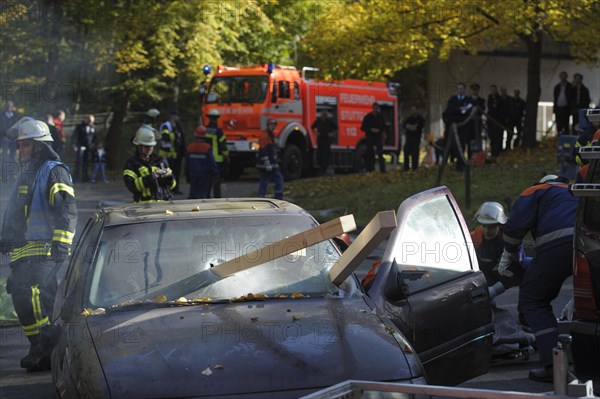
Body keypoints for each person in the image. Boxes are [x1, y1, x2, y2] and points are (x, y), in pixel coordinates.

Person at [0, 116, 77, 372]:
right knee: (24, 295)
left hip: (45, 249)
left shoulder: (54, 170)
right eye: (19, 144)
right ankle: (39, 345)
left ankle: (48, 344)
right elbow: (15, 211)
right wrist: (6, 239)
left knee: (29, 293)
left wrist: (61, 244)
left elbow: (67, 209)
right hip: (26, 251)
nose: (20, 149)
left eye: (25, 144)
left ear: (40, 145)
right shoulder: (28, 172)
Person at [499, 174, 579, 382]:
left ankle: (554, 367)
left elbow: (515, 227)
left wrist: (509, 252)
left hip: (556, 247)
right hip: (588, 246)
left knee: (533, 300)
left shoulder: (534, 191)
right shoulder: (575, 189)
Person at [470, 202, 524, 300]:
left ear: (499, 225)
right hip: (484, 272)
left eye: (492, 226)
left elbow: (517, 267)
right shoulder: (475, 237)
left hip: (505, 272)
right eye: (484, 225)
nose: (487, 230)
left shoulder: (509, 240)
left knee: (522, 268)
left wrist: (494, 290)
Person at [123, 124, 176, 202]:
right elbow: (132, 187)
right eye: (146, 146)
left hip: (165, 206)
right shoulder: (132, 164)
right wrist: (150, 178)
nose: (150, 149)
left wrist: (169, 177)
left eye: (151, 146)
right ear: (139, 147)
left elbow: (172, 185)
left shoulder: (159, 161)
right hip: (144, 208)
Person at [184, 126, 218, 199]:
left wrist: (186, 174)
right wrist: (215, 172)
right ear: (205, 136)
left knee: (193, 195)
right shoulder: (207, 147)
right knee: (203, 195)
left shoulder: (190, 147)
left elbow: (186, 163)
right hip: (205, 175)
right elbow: (212, 162)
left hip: (193, 174)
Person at [444, 83, 471, 171]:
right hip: (454, 127)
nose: (460, 90)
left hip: (464, 127)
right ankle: (456, 164)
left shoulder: (468, 100)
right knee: (454, 145)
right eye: (459, 89)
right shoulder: (452, 99)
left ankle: (462, 164)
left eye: (462, 88)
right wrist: (460, 109)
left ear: (464, 89)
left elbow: (468, 112)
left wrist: (459, 111)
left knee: (463, 145)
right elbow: (449, 111)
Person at [159, 110, 186, 194]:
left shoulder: (177, 126)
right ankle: (168, 189)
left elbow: (181, 139)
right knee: (168, 172)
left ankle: (175, 189)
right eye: (176, 115)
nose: (178, 117)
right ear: (172, 116)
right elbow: (165, 136)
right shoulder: (166, 125)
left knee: (176, 172)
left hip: (177, 154)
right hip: (168, 154)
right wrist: (175, 135)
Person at [204, 109, 229, 197]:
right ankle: (217, 197)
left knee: (207, 180)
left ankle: (206, 196)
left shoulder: (205, 130)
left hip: (206, 159)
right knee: (217, 181)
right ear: (217, 119)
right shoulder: (219, 131)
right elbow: (223, 146)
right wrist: (226, 156)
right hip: (217, 159)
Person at [257, 119, 284, 199]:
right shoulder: (265, 136)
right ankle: (277, 198)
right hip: (266, 165)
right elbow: (264, 151)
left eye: (274, 125)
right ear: (268, 125)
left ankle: (262, 197)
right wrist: (267, 163)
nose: (273, 126)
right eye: (272, 125)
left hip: (270, 164)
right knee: (271, 180)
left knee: (268, 180)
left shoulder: (270, 135)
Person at [360, 103, 386, 173]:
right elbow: (362, 128)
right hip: (370, 137)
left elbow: (383, 127)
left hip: (378, 137)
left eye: (377, 108)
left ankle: (383, 170)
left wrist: (380, 131)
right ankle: (370, 169)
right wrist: (370, 130)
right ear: (372, 108)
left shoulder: (381, 117)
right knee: (370, 154)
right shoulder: (368, 117)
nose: (375, 110)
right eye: (374, 108)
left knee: (380, 153)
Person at [311, 110, 338, 176]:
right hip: (320, 140)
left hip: (327, 141)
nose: (324, 116)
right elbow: (312, 127)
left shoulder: (330, 122)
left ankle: (323, 171)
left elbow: (336, 128)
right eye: (323, 114)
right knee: (319, 155)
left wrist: (332, 134)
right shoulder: (318, 121)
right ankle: (321, 168)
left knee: (326, 156)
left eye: (325, 115)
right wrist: (315, 132)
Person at [71, 114, 96, 182]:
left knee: (87, 162)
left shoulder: (93, 127)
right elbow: (75, 136)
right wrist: (74, 145)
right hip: (80, 146)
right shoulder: (80, 127)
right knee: (79, 162)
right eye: (89, 121)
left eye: (92, 121)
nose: (90, 123)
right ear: (86, 119)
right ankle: (76, 177)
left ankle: (85, 177)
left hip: (88, 148)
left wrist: (93, 144)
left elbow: (94, 137)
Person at [402, 105, 425, 171]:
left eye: (414, 109)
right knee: (406, 152)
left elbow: (417, 127)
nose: (413, 111)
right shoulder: (409, 118)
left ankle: (415, 168)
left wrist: (410, 126)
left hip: (416, 139)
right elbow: (405, 125)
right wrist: (411, 126)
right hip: (408, 138)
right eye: (411, 109)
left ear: (417, 110)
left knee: (415, 154)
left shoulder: (420, 119)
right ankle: (406, 168)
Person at [1, 101, 20, 174]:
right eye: (8, 106)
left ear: (12, 107)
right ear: (6, 107)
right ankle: (4, 173)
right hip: (5, 138)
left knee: (12, 156)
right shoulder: (2, 116)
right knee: (4, 156)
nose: (9, 108)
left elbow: (17, 127)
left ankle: (11, 173)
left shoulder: (15, 116)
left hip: (13, 139)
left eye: (11, 106)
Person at [553, 71, 573, 135]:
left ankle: (566, 140)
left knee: (565, 125)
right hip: (558, 109)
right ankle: (560, 139)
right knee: (559, 126)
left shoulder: (570, 86)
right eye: (562, 76)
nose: (563, 78)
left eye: (564, 76)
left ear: (566, 77)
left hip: (566, 109)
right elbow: (555, 98)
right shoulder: (557, 87)